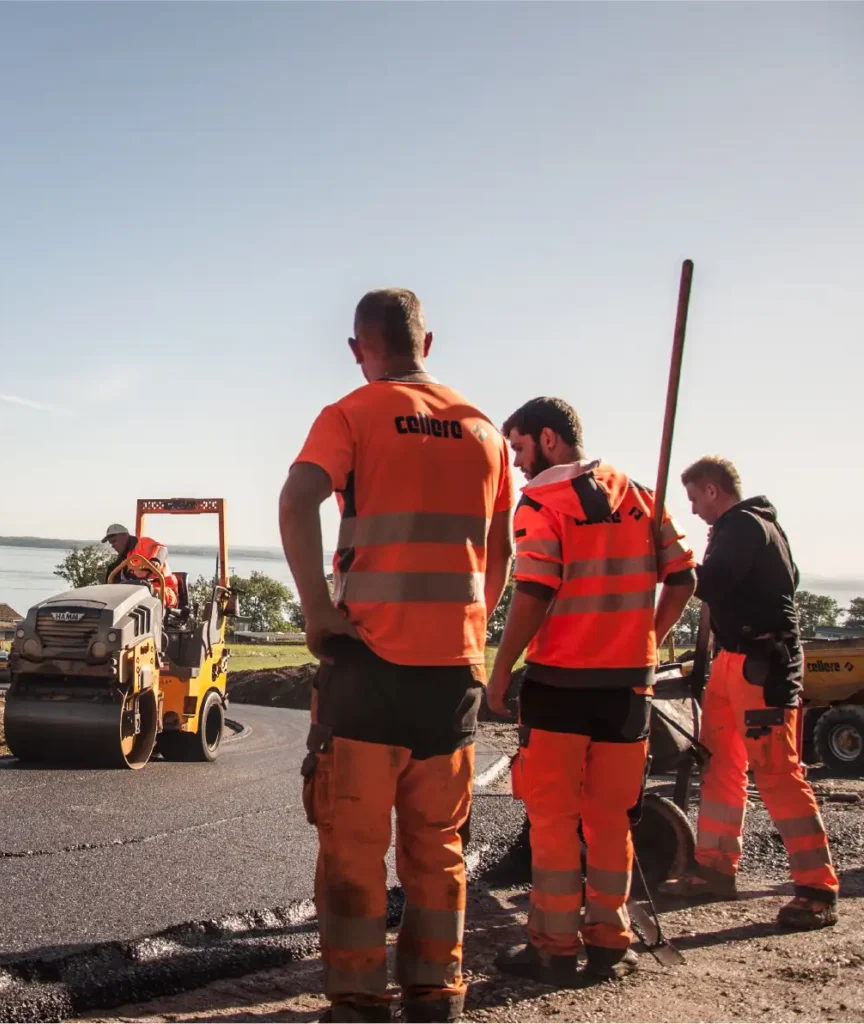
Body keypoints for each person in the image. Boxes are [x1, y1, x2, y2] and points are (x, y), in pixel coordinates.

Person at [279, 288, 513, 1023]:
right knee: (438, 846)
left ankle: (356, 997)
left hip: (370, 668)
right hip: (453, 675)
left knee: (353, 846)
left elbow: (297, 499)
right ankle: (434, 992)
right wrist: (474, 624)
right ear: (428, 342)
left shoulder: (353, 412)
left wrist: (318, 610)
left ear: (358, 348)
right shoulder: (485, 431)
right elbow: (503, 548)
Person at [486, 397, 696, 985]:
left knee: (554, 821)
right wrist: (645, 640)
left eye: (521, 449)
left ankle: (553, 947)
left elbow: (534, 588)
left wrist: (503, 667)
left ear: (549, 439)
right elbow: (683, 578)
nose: (519, 465)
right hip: (630, 688)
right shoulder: (640, 495)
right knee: (611, 820)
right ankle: (609, 939)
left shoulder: (541, 502)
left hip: (560, 686)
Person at [679, 455, 837, 928]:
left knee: (776, 771)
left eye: (692, 498)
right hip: (733, 660)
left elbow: (711, 583)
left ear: (712, 489)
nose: (692, 510)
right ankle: (714, 866)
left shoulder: (745, 526)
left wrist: (668, 555)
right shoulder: (738, 530)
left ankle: (817, 888)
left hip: (763, 664)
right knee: (721, 764)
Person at [103, 523, 178, 608]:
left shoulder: (142, 543)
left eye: (114, 541)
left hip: (163, 590)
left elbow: (162, 549)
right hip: (139, 593)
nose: (112, 545)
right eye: (110, 543)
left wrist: (156, 561)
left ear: (124, 536)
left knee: (150, 597)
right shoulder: (121, 562)